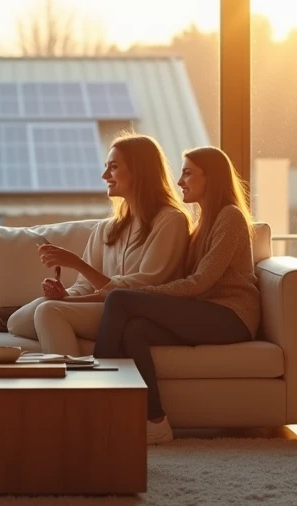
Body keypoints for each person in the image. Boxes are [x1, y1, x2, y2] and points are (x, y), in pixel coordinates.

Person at [93, 146, 260, 445]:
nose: (180, 181)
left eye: (187, 173)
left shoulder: (230, 217)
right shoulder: (199, 225)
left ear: (211, 178)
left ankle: (95, 399)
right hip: (206, 312)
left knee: (119, 299)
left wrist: (143, 294)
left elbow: (199, 282)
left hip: (231, 317)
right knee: (135, 330)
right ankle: (155, 422)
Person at [6, 133, 191, 355]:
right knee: (17, 322)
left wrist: (77, 264)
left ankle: (75, 387)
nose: (105, 175)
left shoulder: (170, 221)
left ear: (139, 171)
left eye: (113, 167)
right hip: (98, 305)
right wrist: (65, 296)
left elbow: (143, 288)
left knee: (48, 312)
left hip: (132, 312)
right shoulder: (107, 229)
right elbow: (84, 286)